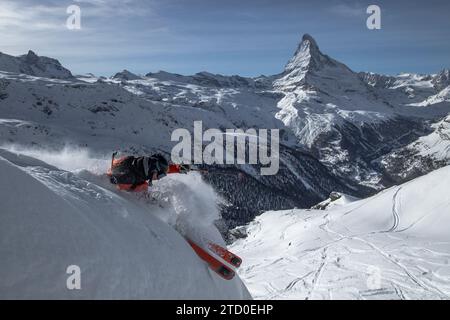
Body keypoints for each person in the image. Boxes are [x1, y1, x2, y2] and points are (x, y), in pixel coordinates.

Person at [107, 153, 189, 192]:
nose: (158, 178)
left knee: (144, 185)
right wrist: (116, 179)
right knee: (144, 186)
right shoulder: (132, 177)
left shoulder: (141, 169)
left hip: (125, 176)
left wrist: (178, 168)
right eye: (160, 176)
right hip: (125, 199)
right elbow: (114, 179)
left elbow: (166, 169)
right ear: (153, 170)